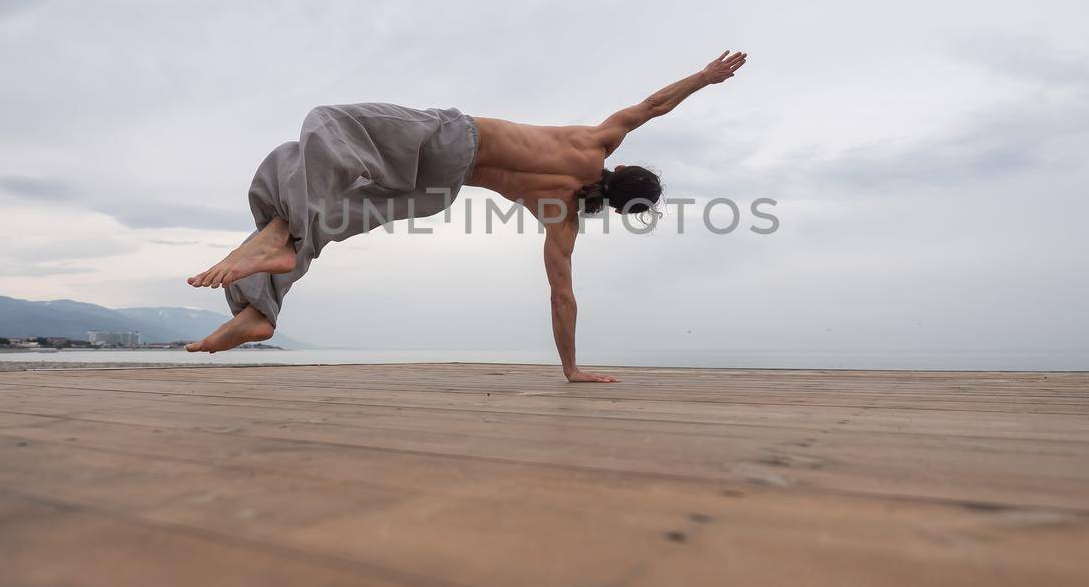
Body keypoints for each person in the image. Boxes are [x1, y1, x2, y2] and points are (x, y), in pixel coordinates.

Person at [186, 50, 749, 381]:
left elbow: (651, 106)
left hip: (451, 143)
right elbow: (562, 296)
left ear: (624, 168)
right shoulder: (561, 216)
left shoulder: (593, 143)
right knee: (313, 196)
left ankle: (276, 242)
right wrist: (572, 370)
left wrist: (704, 78)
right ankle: (260, 307)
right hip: (439, 189)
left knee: (326, 127)